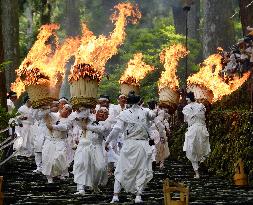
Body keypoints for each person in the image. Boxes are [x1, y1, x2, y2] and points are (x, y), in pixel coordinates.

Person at [105, 91, 156, 203]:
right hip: (142, 145)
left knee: (121, 169)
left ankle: (116, 196)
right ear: (139, 101)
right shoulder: (146, 111)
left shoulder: (125, 113)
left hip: (129, 145)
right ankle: (138, 196)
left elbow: (116, 129)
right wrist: (151, 111)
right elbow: (153, 116)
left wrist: (107, 141)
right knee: (141, 170)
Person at [73, 107, 111, 195]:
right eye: (100, 111)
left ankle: (95, 185)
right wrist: (82, 108)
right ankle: (80, 188)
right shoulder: (89, 119)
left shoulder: (107, 124)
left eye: (105, 113)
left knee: (100, 167)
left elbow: (101, 130)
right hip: (84, 145)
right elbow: (78, 118)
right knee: (81, 164)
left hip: (97, 146)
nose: (102, 113)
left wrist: (87, 126)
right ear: (96, 112)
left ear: (107, 116)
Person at [182, 92, 211, 179]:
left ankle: (197, 173)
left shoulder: (186, 108)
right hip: (202, 129)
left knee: (192, 150)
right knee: (203, 147)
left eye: (186, 98)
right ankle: (202, 160)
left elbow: (186, 120)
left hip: (193, 130)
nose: (186, 100)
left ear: (189, 98)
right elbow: (204, 114)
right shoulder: (201, 106)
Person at [42, 104, 72, 183]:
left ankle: (58, 173)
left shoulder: (69, 120)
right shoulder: (55, 116)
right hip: (50, 141)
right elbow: (48, 114)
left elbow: (64, 127)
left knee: (58, 158)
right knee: (48, 160)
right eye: (64, 108)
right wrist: (45, 107)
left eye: (67, 110)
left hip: (60, 142)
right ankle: (49, 178)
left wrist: (52, 126)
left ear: (69, 113)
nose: (64, 110)